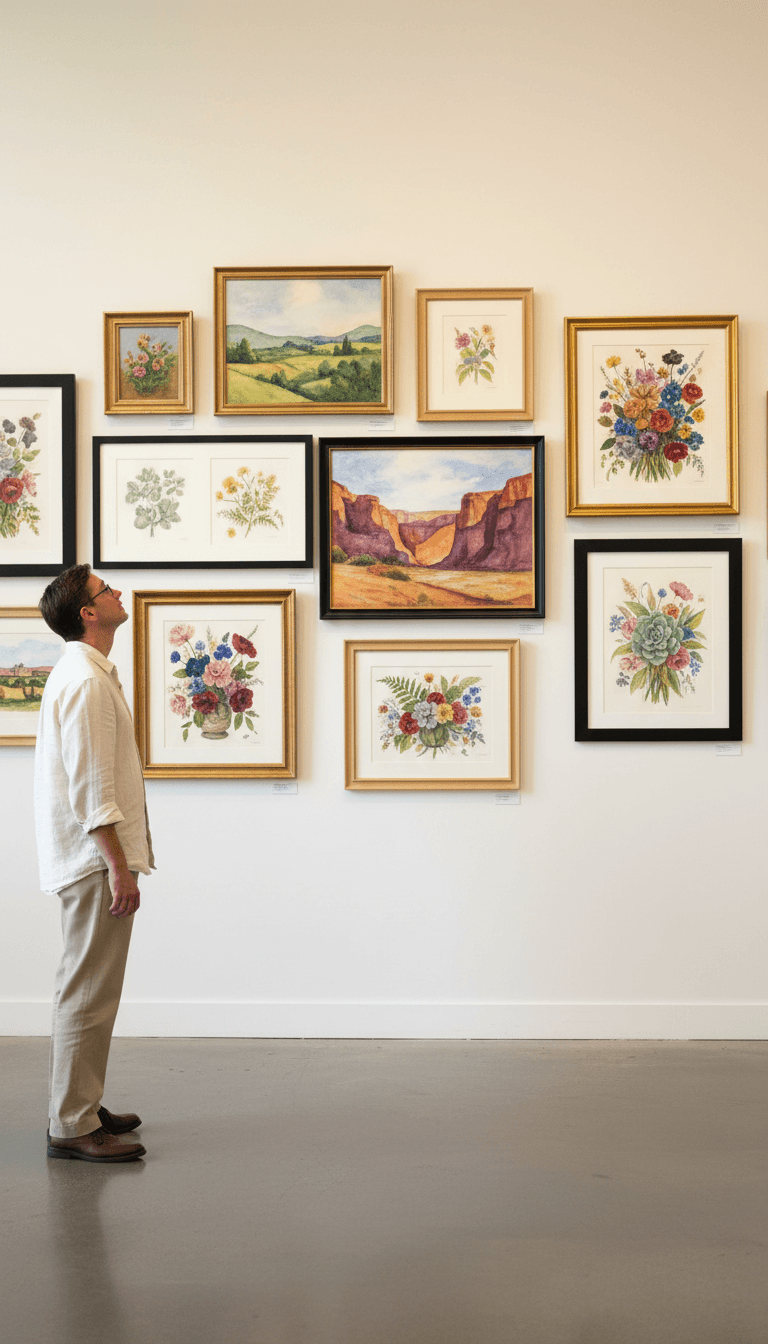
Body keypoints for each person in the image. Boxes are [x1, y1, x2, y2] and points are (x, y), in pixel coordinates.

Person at [35, 564, 154, 1162]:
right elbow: (91, 787)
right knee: (88, 991)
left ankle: (81, 1103)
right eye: (106, 590)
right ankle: (72, 1124)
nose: (118, 593)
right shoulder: (85, 681)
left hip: (90, 858)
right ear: (88, 612)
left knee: (89, 988)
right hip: (94, 862)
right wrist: (118, 866)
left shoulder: (87, 673)